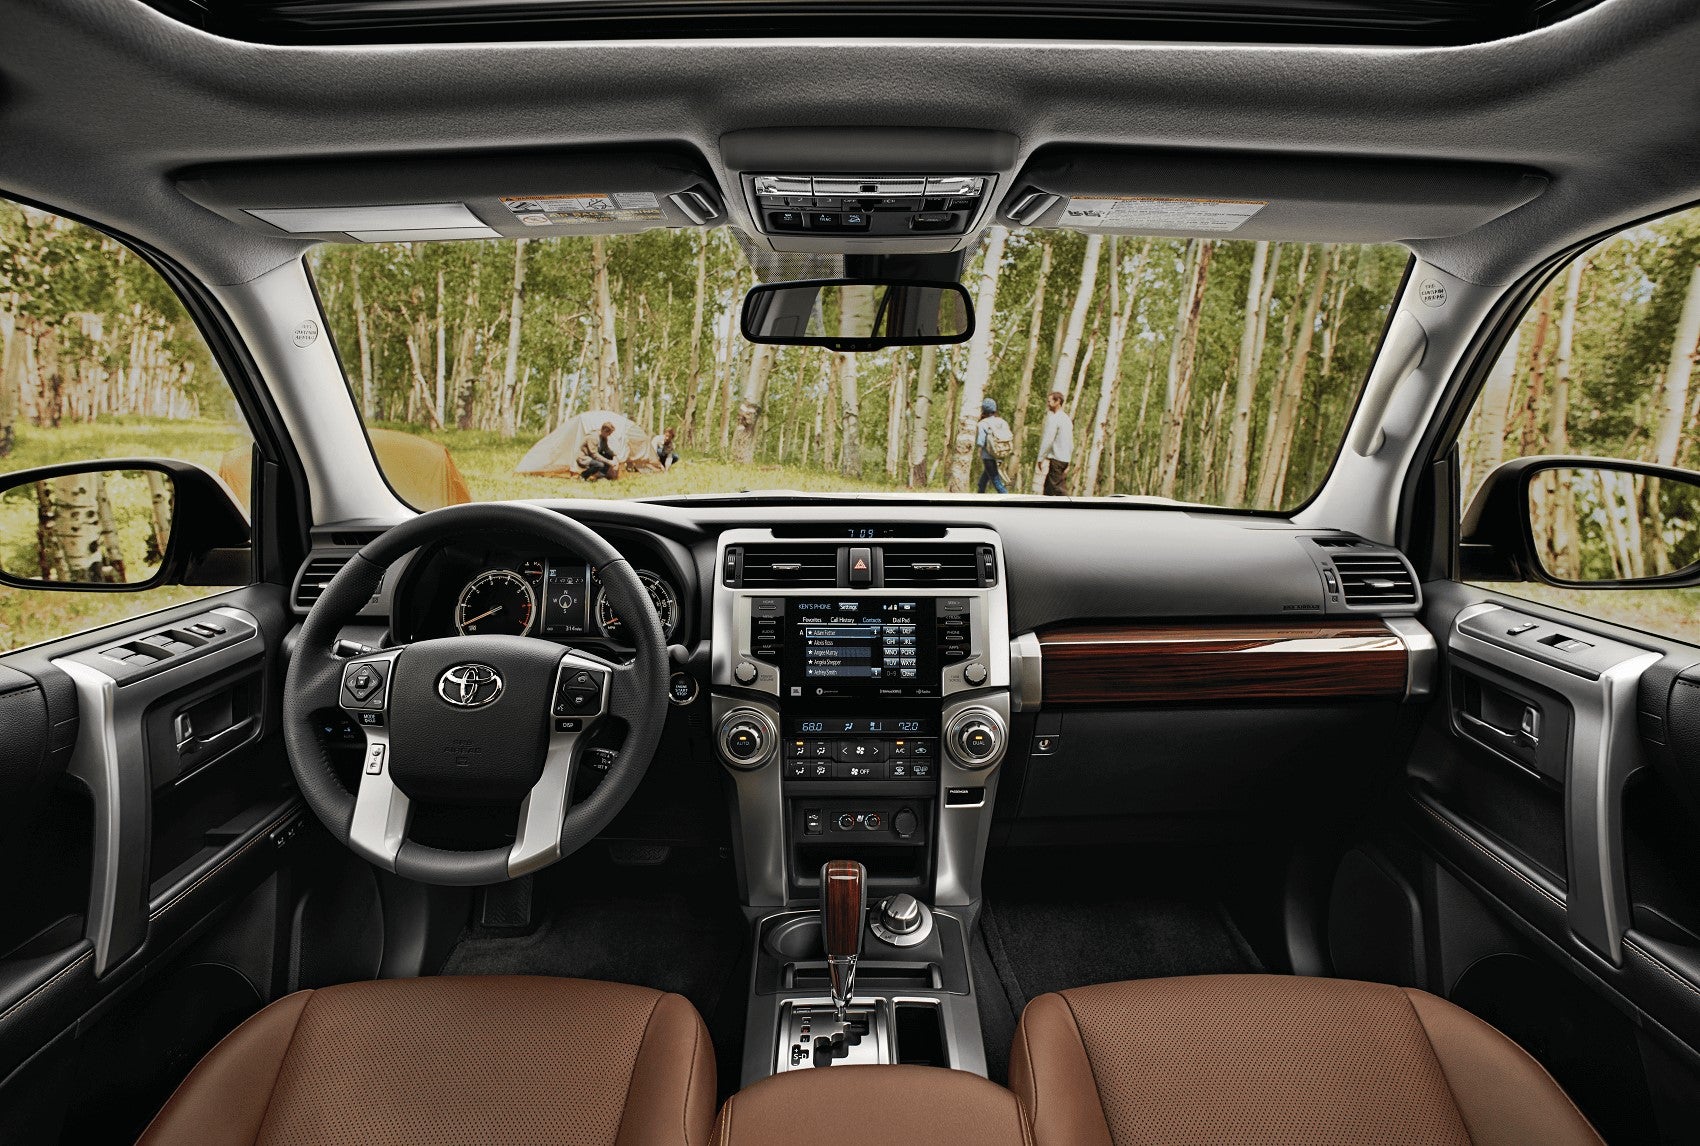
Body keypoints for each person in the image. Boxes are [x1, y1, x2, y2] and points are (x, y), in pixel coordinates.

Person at [1037, 389, 1073, 496]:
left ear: (1057, 402)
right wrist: (1068, 460)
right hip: (1064, 459)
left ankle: (1071, 509)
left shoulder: (1055, 419)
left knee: (1058, 489)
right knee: (1048, 488)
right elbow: (1071, 443)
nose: (1048, 404)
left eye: (1049, 401)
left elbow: (1048, 440)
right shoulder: (1066, 419)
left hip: (1057, 459)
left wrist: (1040, 458)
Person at [974, 397, 1013, 494]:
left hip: (988, 457)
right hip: (1000, 454)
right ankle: (980, 496)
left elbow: (980, 442)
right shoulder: (1002, 421)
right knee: (982, 482)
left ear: (984, 410)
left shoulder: (982, 424)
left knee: (997, 482)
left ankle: (1007, 499)